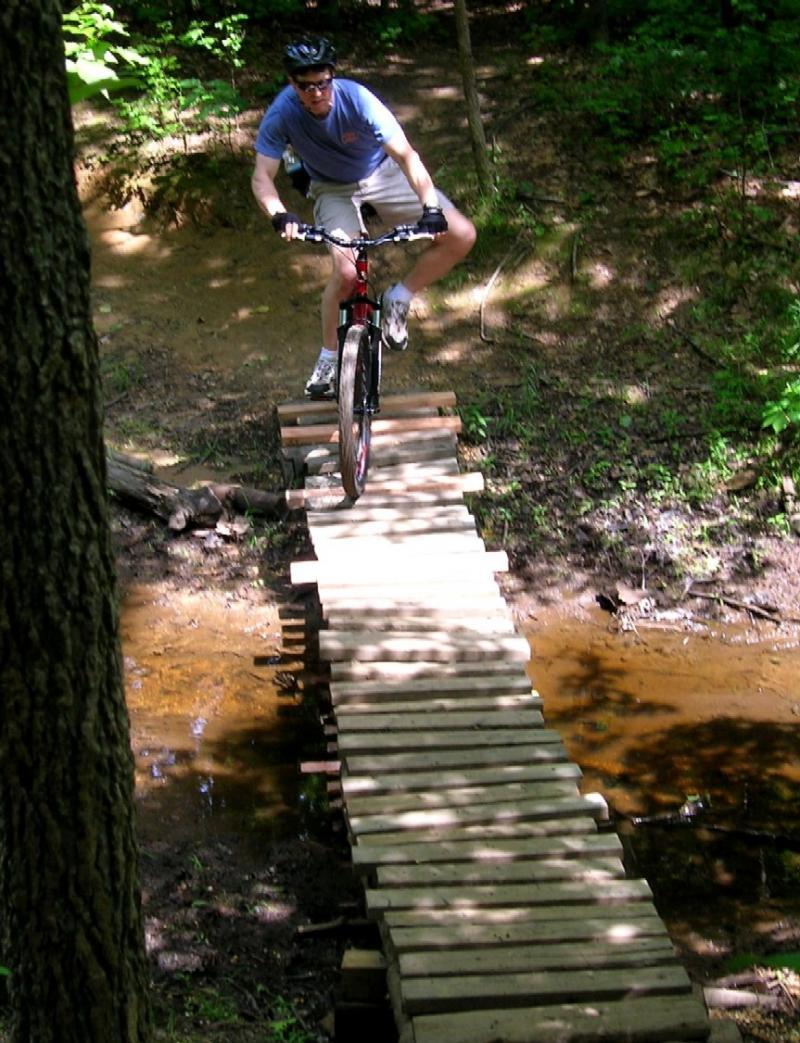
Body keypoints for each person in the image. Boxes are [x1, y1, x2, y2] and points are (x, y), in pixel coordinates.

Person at [251, 36, 476, 399]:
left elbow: (406, 156)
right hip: (331, 187)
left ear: (332, 77)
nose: (315, 93)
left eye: (322, 83)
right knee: (345, 273)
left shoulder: (358, 100)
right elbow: (262, 176)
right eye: (304, 86)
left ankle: (399, 297)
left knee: (461, 234)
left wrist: (430, 208)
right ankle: (327, 358)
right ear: (292, 84)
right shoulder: (283, 113)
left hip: (382, 175)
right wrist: (279, 214)